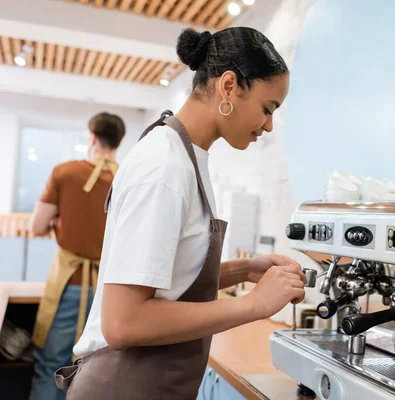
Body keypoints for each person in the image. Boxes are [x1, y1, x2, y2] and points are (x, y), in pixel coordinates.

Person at [55, 27, 305, 399]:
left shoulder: (185, 155)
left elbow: (163, 278)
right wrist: (252, 305)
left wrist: (243, 270)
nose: (268, 126)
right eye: (268, 109)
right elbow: (124, 322)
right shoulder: (165, 167)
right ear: (229, 86)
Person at [28, 112, 126, 400]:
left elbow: (35, 226)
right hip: (112, 292)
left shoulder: (65, 172)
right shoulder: (127, 177)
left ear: (92, 137)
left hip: (68, 285)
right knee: (95, 372)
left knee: (52, 367)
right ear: (118, 142)